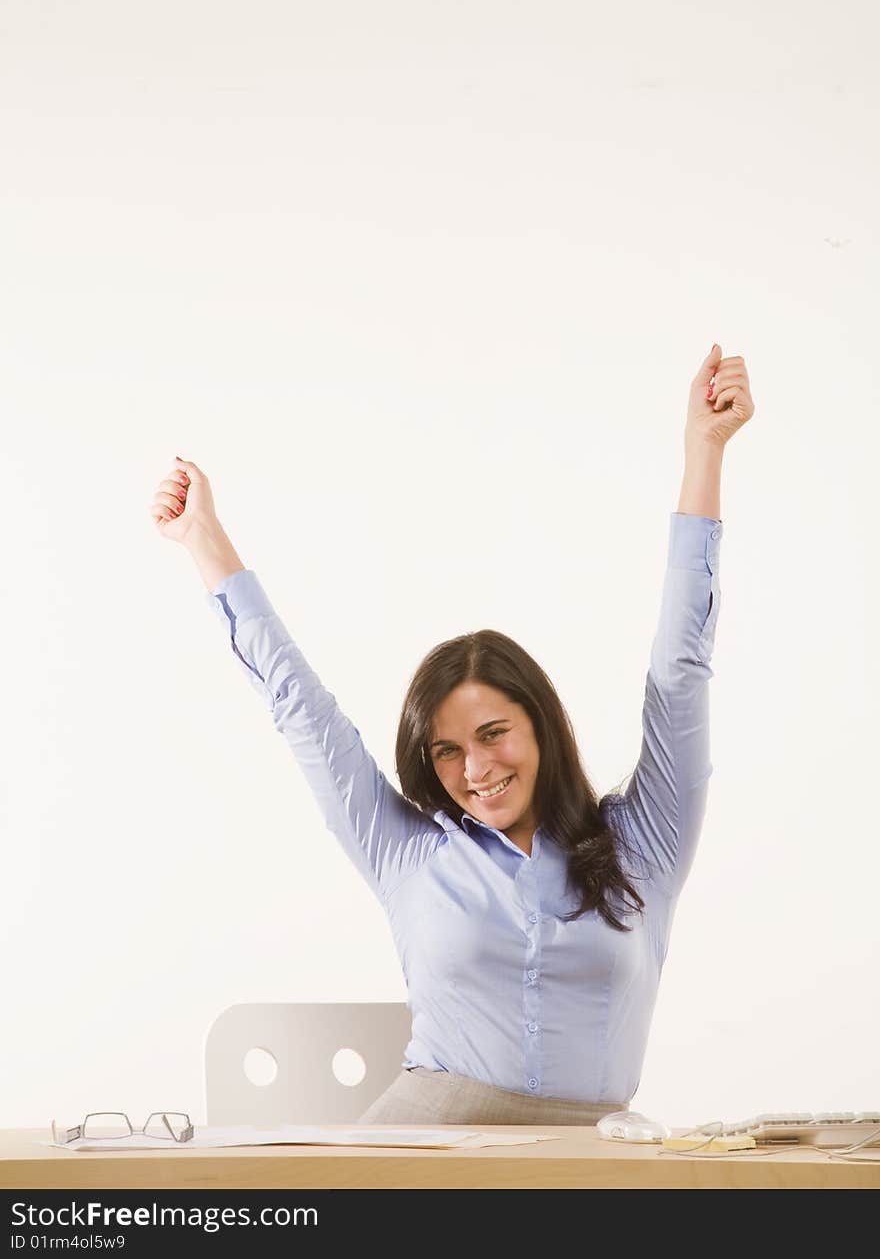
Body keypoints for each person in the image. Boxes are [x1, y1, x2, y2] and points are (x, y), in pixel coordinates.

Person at [150, 346, 754, 1126]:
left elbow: (681, 673)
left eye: (495, 733)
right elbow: (302, 707)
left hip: (590, 1166)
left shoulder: (646, 843)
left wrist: (702, 455)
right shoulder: (408, 851)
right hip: (422, 1152)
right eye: (446, 750)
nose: (476, 768)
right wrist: (206, 542)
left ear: (542, 725)